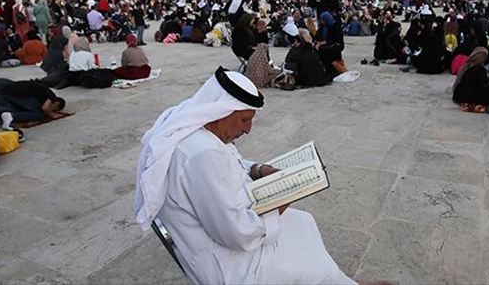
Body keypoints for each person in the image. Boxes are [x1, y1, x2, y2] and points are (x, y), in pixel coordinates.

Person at [134, 67, 361, 285]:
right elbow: (237, 234)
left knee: (303, 223)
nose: (248, 129)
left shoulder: (194, 122)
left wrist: (257, 169)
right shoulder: (202, 154)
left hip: (223, 237)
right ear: (221, 111)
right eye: (244, 120)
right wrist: (282, 200)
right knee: (310, 266)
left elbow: (229, 162)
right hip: (229, 267)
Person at [0, 78, 68, 129]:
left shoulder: (41, 92)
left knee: (11, 106)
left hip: (4, 89)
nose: (52, 109)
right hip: (16, 93)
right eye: (55, 108)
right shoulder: (50, 95)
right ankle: (11, 116)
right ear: (56, 103)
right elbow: (45, 108)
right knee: (40, 114)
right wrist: (53, 115)